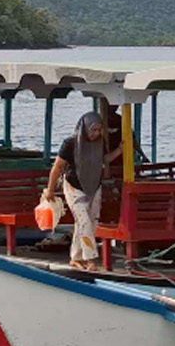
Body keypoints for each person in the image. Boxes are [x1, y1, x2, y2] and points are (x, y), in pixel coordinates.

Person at [43, 111, 121, 270]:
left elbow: (103, 160)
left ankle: (75, 257)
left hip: (94, 187)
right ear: (84, 128)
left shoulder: (99, 143)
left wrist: (120, 149)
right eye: (93, 130)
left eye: (99, 130)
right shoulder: (70, 143)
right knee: (84, 221)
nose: (96, 134)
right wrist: (50, 190)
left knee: (90, 223)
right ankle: (91, 260)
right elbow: (57, 167)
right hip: (74, 188)